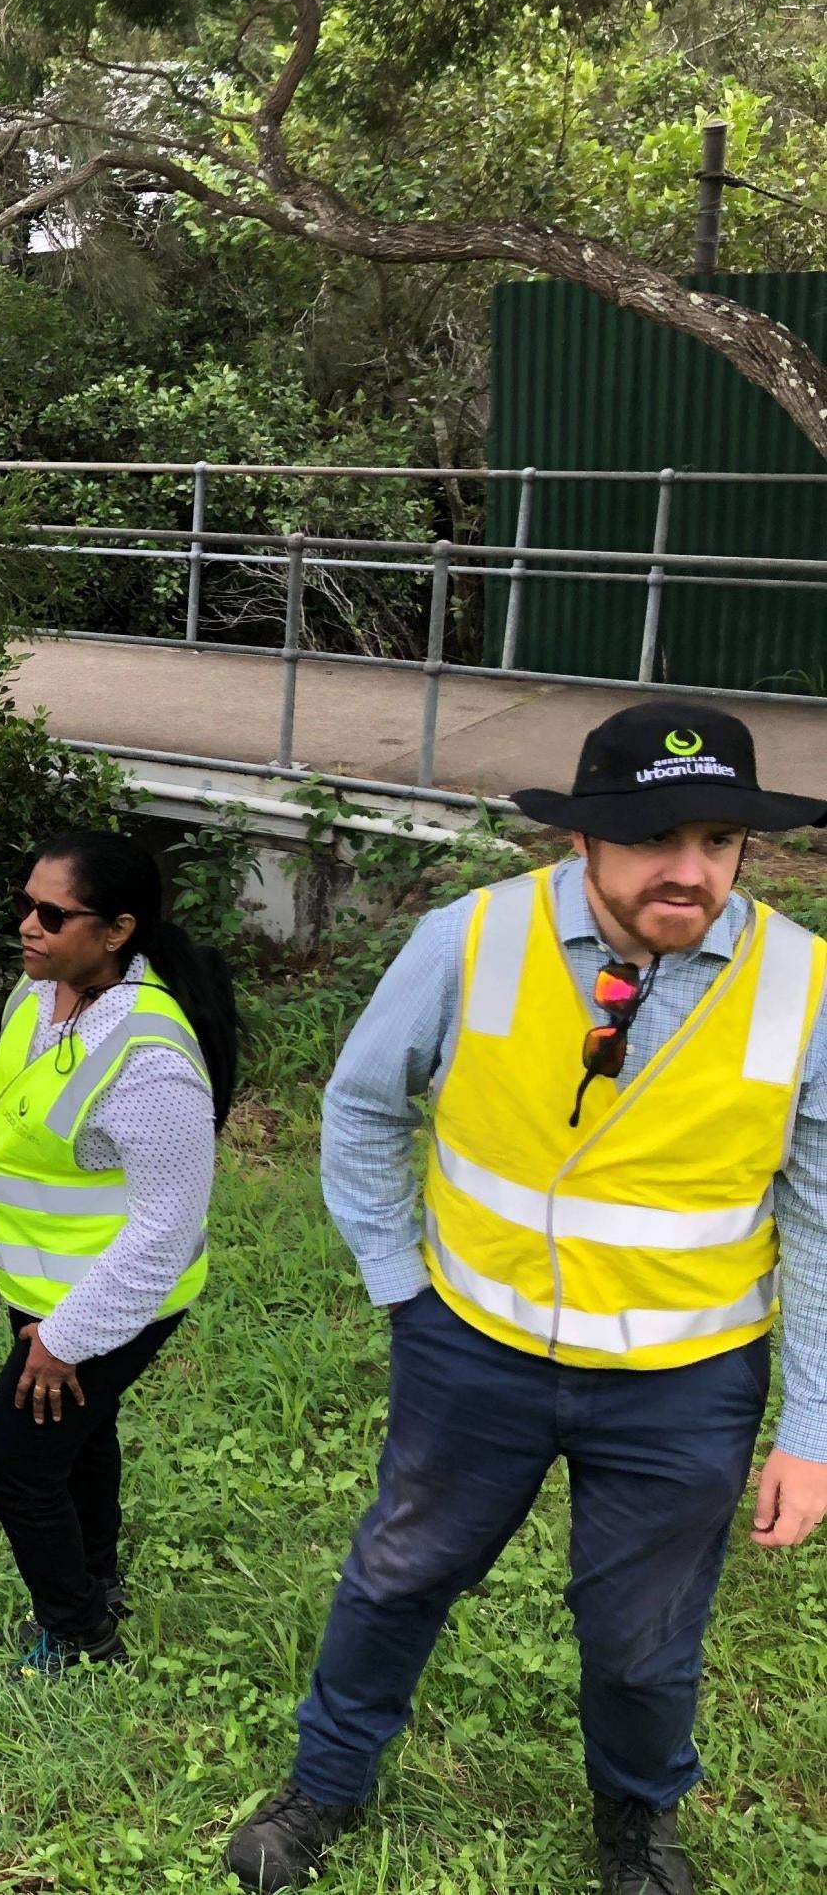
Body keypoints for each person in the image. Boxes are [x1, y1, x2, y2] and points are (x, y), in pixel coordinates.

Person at [227, 700, 827, 1895]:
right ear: (582, 838)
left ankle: (636, 1821)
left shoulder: (803, 985)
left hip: (684, 1382)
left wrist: (808, 1430)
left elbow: (816, 1217)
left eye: (716, 840)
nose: (689, 870)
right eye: (653, 837)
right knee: (398, 1576)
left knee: (641, 1639)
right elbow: (360, 1106)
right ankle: (325, 1784)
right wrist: (401, 1287)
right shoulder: (469, 938)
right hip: (474, 1348)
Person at [0, 830, 237, 1676]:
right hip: (39, 1283)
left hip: (114, 1301)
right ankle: (97, 1580)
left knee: (17, 1465)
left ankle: (80, 1633)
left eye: (53, 914)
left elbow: (166, 1228)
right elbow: (19, 1131)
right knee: (78, 1441)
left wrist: (64, 1341)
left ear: (118, 930)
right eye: (25, 905)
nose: (28, 925)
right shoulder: (33, 996)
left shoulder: (150, 1058)